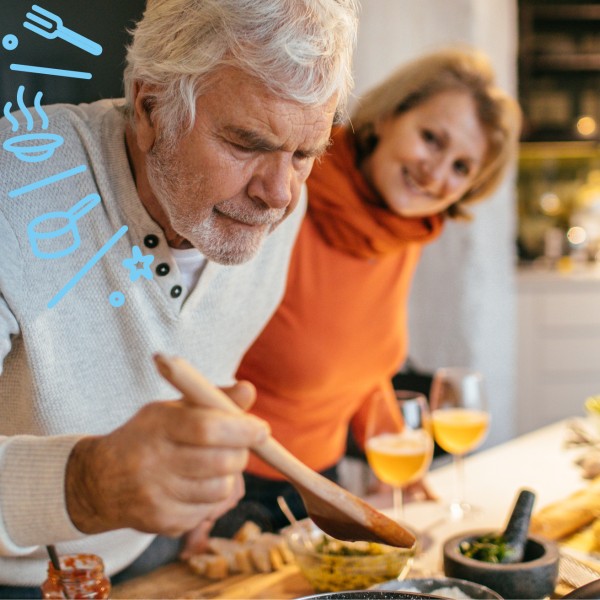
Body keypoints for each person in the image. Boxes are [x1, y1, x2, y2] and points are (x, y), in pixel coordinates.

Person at [0, 0, 358, 591]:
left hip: (149, 555)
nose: (280, 195)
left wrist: (193, 482)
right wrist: (85, 484)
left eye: (304, 154)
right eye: (246, 143)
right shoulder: (16, 185)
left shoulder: (273, 206)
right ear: (150, 107)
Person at [217, 48, 522, 534]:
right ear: (386, 118)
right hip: (228, 493)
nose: (436, 174)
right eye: (431, 139)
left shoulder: (403, 231)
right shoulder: (284, 193)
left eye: (462, 168)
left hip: (322, 484)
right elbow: (194, 352)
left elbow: (361, 363)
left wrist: (399, 459)